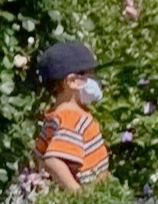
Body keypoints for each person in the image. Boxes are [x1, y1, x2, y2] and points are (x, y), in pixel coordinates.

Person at [31, 37, 109, 189]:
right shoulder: (72, 118)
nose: (96, 81)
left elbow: (39, 155)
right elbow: (53, 160)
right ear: (72, 81)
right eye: (90, 75)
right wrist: (78, 196)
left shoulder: (55, 116)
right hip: (88, 195)